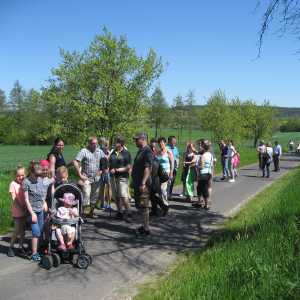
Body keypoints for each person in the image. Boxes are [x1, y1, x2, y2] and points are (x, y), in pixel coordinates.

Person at [23, 162, 49, 262]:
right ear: (32, 172)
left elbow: (43, 193)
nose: (39, 177)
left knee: (41, 231)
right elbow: (26, 200)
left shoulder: (40, 180)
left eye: (40, 175)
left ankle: (37, 250)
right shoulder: (26, 182)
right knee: (36, 232)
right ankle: (34, 254)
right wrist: (32, 213)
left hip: (40, 210)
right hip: (31, 211)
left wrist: (45, 202)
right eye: (37, 175)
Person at [73, 136, 105, 217]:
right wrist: (80, 174)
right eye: (93, 143)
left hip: (97, 178)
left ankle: (91, 213)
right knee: (86, 194)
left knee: (95, 196)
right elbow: (75, 162)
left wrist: (102, 170)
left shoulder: (100, 151)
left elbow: (104, 161)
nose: (95, 145)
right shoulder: (84, 151)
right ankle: (82, 214)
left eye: (96, 143)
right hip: (86, 177)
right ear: (89, 143)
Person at [132, 133, 153, 236]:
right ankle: (143, 225)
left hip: (143, 184)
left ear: (143, 139)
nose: (135, 141)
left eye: (137, 140)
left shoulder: (147, 151)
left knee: (144, 206)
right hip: (138, 183)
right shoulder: (141, 151)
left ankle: (146, 229)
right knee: (140, 206)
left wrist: (143, 183)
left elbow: (148, 168)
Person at [109, 136, 132, 220]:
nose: (115, 143)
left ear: (121, 143)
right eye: (115, 142)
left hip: (123, 177)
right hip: (113, 177)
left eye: (116, 142)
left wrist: (117, 170)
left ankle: (129, 212)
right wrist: (109, 168)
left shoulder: (126, 153)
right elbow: (110, 163)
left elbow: (128, 166)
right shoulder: (113, 153)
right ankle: (120, 212)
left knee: (123, 195)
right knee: (117, 196)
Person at [7, 165, 27, 257]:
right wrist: (22, 206)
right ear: (15, 176)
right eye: (19, 175)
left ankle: (20, 246)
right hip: (17, 210)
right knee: (17, 229)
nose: (21, 177)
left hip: (25, 209)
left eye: (22, 175)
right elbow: (14, 198)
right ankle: (10, 247)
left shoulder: (25, 183)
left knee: (23, 230)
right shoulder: (13, 184)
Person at [194, 141, 214, 209]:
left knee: (203, 189)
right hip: (209, 173)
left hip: (203, 174)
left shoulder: (203, 156)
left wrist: (197, 166)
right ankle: (200, 202)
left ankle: (206, 204)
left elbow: (202, 166)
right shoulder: (210, 155)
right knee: (200, 188)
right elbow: (211, 165)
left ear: (203, 147)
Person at [157, 137, 174, 209]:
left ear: (165, 143)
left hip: (166, 172)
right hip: (159, 173)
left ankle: (165, 204)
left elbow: (172, 163)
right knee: (159, 189)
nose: (160, 144)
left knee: (163, 189)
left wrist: (171, 173)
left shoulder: (168, 151)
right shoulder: (158, 152)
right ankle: (163, 204)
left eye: (162, 143)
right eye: (159, 143)